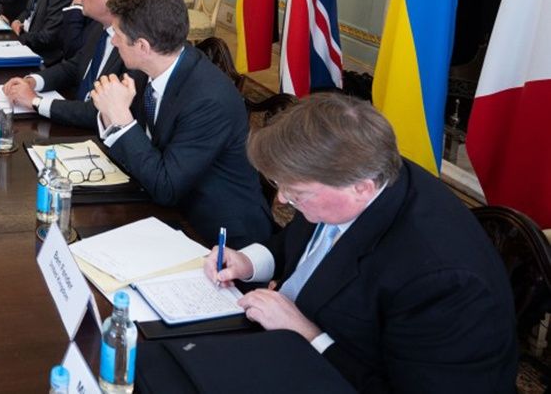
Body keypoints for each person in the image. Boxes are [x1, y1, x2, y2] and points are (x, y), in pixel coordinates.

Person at [204, 94, 517, 392]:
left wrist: (305, 334)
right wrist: (250, 262)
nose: (283, 199)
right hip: (281, 338)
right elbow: (302, 242)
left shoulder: (443, 282)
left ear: (361, 189)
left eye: (296, 193)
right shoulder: (350, 172)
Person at [91, 0, 272, 247]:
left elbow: (167, 188)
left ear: (142, 46)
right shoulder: (150, 67)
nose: (113, 40)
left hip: (218, 235)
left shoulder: (209, 100)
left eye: (117, 33)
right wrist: (112, 115)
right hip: (166, 206)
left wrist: (121, 120)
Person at [2, 0, 138, 129]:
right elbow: (74, 66)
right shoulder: (99, 26)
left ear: (112, 0)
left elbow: (101, 112)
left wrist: (35, 101)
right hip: (73, 120)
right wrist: (33, 82)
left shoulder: (132, 46)